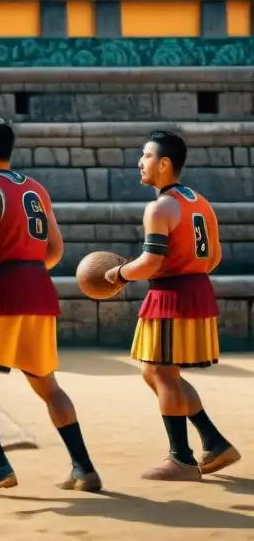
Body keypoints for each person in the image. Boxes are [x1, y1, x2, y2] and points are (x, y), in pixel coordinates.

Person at [0, 116, 100, 494]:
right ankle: (84, 469)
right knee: (48, 385)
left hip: (3, 291)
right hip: (40, 291)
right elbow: (55, 250)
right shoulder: (36, 189)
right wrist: (27, 269)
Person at [103, 130, 240, 480]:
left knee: (161, 374)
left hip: (170, 298)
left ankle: (180, 458)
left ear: (164, 163)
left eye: (145, 155)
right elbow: (214, 257)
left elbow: (149, 262)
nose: (140, 162)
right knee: (162, 373)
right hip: (197, 291)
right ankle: (214, 442)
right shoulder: (200, 202)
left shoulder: (160, 207)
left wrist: (119, 274)